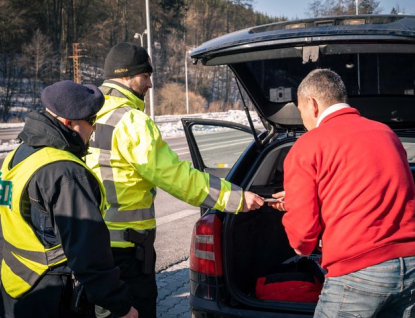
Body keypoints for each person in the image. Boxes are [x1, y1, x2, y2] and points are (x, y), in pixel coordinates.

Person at [85, 42, 264, 318]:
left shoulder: (88, 116)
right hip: (127, 254)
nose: (151, 84)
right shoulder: (132, 121)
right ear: (126, 76)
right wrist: (237, 198)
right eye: (145, 76)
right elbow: (178, 178)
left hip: (92, 249)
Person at [270, 69, 415, 317]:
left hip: (358, 273)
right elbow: (387, 189)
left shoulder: (308, 145)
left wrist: (297, 213)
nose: (302, 117)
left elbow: (303, 238)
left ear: (312, 105)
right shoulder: (386, 134)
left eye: (300, 109)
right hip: (411, 265)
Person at [0, 80, 138, 318]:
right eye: (91, 121)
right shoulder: (65, 172)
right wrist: (121, 306)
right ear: (69, 123)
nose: (94, 129)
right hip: (54, 294)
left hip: (16, 289)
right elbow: (89, 254)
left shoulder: (18, 155)